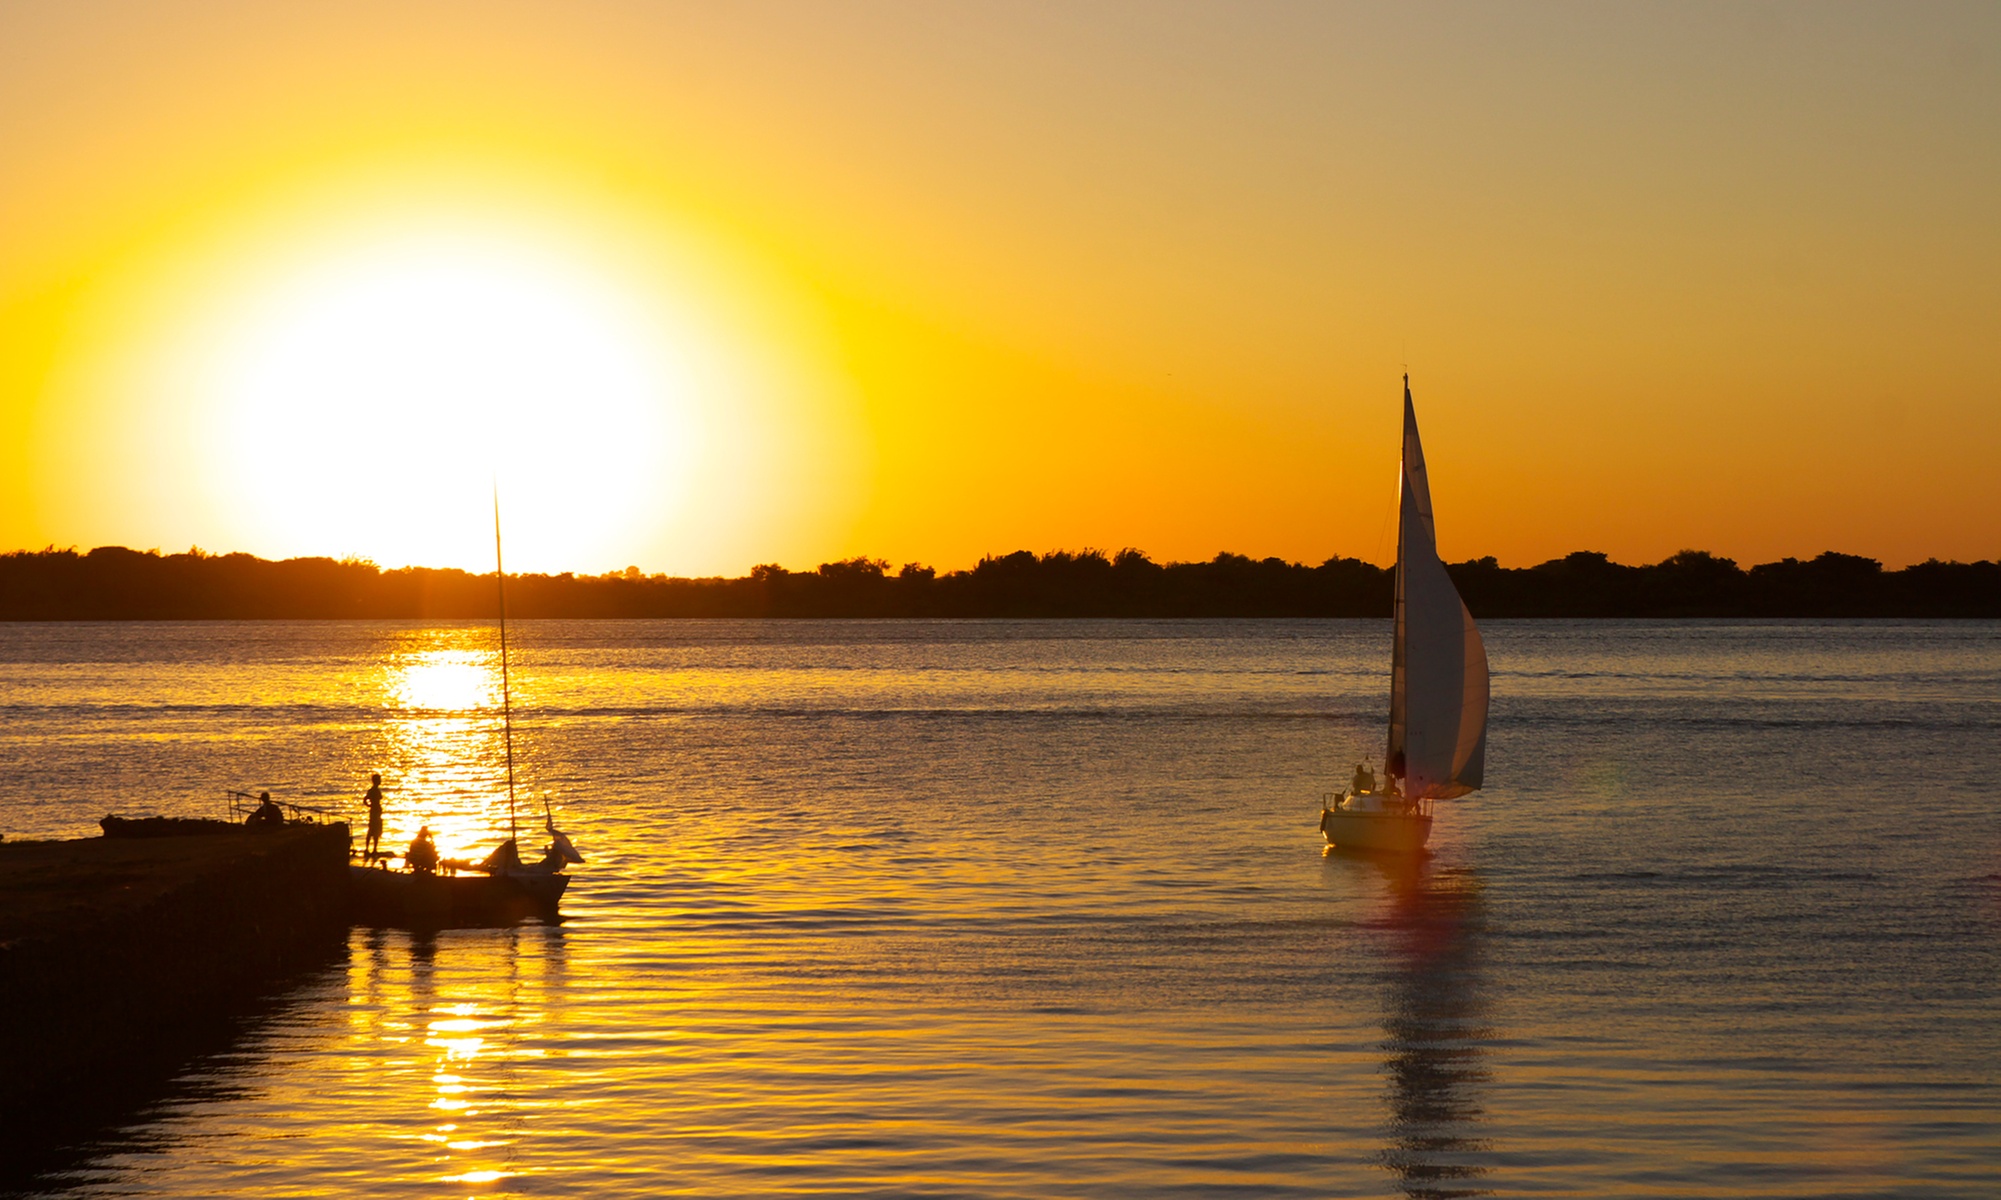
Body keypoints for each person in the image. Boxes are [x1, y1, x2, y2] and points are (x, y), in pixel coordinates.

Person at [363, 773, 385, 861]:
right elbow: (365, 799)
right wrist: (370, 805)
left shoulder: (372, 790)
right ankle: (372, 849)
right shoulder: (374, 790)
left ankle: (371, 849)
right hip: (375, 812)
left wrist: (369, 805)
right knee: (374, 831)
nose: (380, 781)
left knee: (372, 831)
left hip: (374, 812)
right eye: (379, 780)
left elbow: (365, 799)